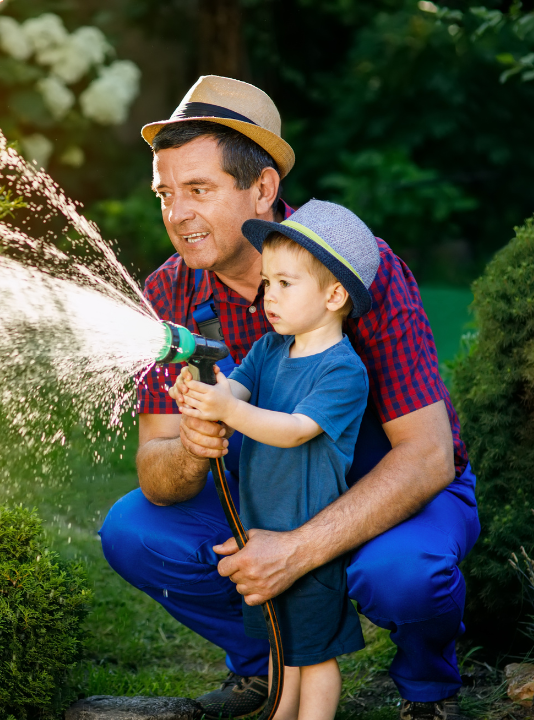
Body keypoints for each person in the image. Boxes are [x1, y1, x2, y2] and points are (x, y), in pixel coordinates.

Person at [98, 75, 481, 720]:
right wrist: (193, 447)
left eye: (199, 190)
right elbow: (157, 475)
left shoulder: (358, 271)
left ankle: (425, 686)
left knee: (404, 573)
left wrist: (296, 551)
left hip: (382, 483)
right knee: (135, 530)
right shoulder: (169, 299)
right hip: (267, 493)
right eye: (166, 193)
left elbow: (426, 457)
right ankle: (264, 663)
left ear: (264, 189)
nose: (177, 214)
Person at [171, 199, 380, 720]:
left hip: (307, 537)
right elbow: (234, 392)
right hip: (262, 531)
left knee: (316, 651)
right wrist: (202, 395)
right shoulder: (268, 349)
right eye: (267, 282)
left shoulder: (342, 371)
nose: (269, 296)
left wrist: (227, 409)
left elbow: (292, 431)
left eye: (286, 284)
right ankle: (280, 711)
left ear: (334, 295)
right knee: (279, 640)